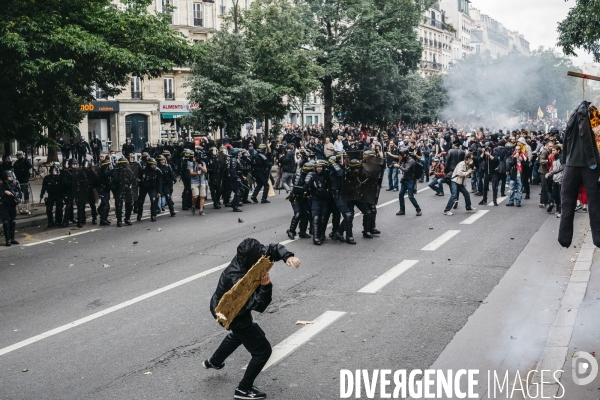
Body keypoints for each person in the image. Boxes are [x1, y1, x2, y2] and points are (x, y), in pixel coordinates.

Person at [206, 238, 300, 400]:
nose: (261, 258)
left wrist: (287, 256)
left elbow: (272, 249)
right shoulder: (238, 279)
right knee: (263, 351)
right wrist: (266, 286)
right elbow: (258, 305)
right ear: (250, 259)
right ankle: (243, 389)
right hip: (230, 311)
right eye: (258, 257)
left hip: (224, 306)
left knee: (238, 335)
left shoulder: (249, 258)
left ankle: (214, 361)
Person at [307, 160, 330, 245]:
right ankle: (315, 237)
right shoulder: (312, 176)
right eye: (317, 167)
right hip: (315, 199)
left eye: (320, 167)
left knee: (324, 219)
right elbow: (306, 187)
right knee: (316, 218)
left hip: (325, 200)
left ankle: (321, 234)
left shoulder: (326, 175)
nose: (319, 168)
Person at [395, 149, 422, 217]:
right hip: (405, 180)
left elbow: (406, 170)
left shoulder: (411, 161)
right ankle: (402, 210)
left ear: (405, 155)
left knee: (410, 196)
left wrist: (399, 166)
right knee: (401, 194)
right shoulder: (404, 160)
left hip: (411, 180)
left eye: (401, 155)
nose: (400, 157)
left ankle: (418, 210)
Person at [137, 157, 162, 222]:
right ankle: (139, 214)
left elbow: (159, 182)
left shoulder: (157, 171)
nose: (153, 166)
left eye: (154, 164)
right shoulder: (143, 170)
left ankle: (153, 215)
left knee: (154, 201)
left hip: (152, 188)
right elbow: (138, 178)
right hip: (143, 188)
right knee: (140, 201)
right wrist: (140, 182)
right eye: (152, 165)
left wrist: (159, 191)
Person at [1, 171, 22, 246]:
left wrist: (18, 198)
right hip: (4, 206)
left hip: (12, 205)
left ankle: (12, 238)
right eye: (9, 176)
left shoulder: (14, 184)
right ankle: (8, 239)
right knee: (6, 222)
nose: (11, 177)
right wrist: (5, 192)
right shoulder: (2, 185)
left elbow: (19, 193)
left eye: (11, 176)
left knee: (12, 221)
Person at [40, 163, 63, 228]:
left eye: (55, 171)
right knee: (49, 208)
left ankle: (58, 221)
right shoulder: (47, 178)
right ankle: (50, 222)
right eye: (53, 171)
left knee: (59, 208)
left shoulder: (60, 178)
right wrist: (42, 194)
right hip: (51, 195)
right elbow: (44, 187)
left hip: (59, 194)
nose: (54, 172)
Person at [546, 145, 563, 217]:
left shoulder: (561, 158)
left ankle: (561, 210)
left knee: (560, 195)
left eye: (554, 150)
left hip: (560, 178)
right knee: (555, 195)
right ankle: (558, 209)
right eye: (552, 150)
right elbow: (553, 168)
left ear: (558, 150)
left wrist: (550, 173)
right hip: (555, 178)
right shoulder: (554, 158)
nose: (552, 152)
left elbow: (560, 168)